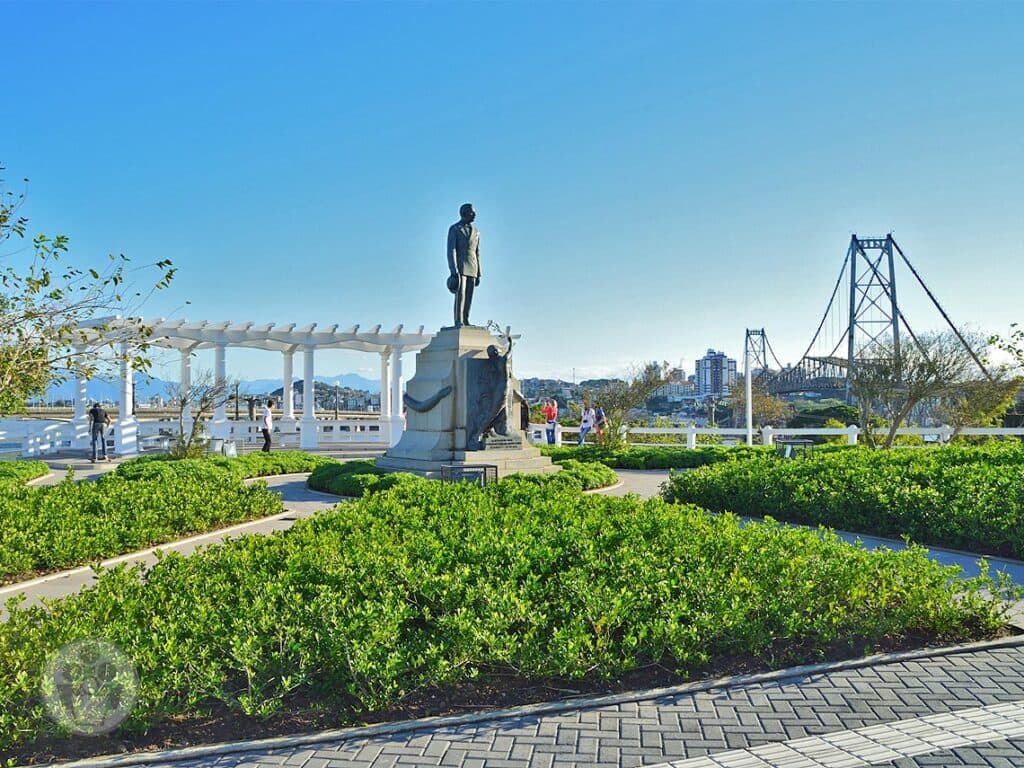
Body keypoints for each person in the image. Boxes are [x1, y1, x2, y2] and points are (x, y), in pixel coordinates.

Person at [446, 203, 481, 327]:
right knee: (460, 294)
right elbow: (451, 250)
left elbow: (477, 252)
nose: (475, 214)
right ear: (464, 213)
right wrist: (453, 270)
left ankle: (466, 319)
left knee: (469, 296)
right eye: (472, 212)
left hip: (473, 266)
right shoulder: (455, 229)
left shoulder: (476, 232)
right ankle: (458, 320)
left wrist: (479, 273)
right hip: (460, 265)